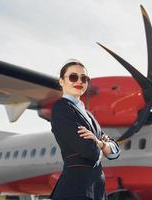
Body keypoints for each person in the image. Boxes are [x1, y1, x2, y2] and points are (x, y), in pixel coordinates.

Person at [50, 60, 121, 200]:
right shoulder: (61, 108)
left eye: (84, 78)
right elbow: (89, 151)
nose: (79, 81)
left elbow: (115, 152)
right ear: (61, 81)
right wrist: (101, 146)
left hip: (97, 192)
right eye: (73, 77)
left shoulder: (89, 116)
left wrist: (100, 144)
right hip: (75, 191)